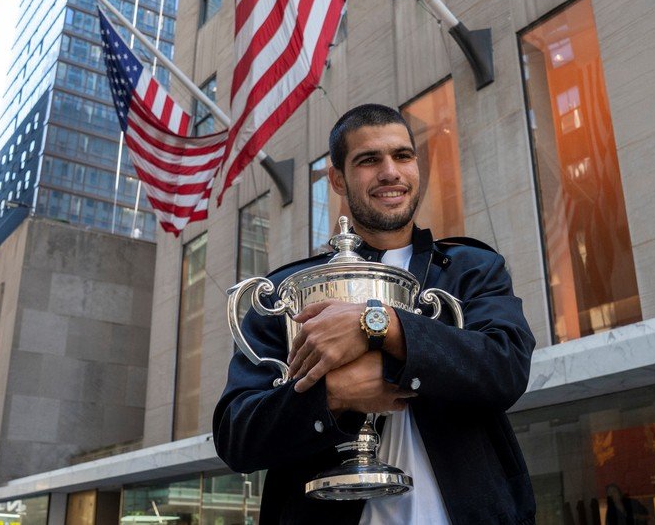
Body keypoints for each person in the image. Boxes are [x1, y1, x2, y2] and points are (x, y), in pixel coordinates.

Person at [213, 104, 537, 524]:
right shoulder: (288, 291)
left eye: (402, 156)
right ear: (337, 178)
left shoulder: (471, 268)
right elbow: (237, 437)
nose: (390, 172)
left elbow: (506, 366)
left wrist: (379, 324)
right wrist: (331, 396)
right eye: (368, 160)